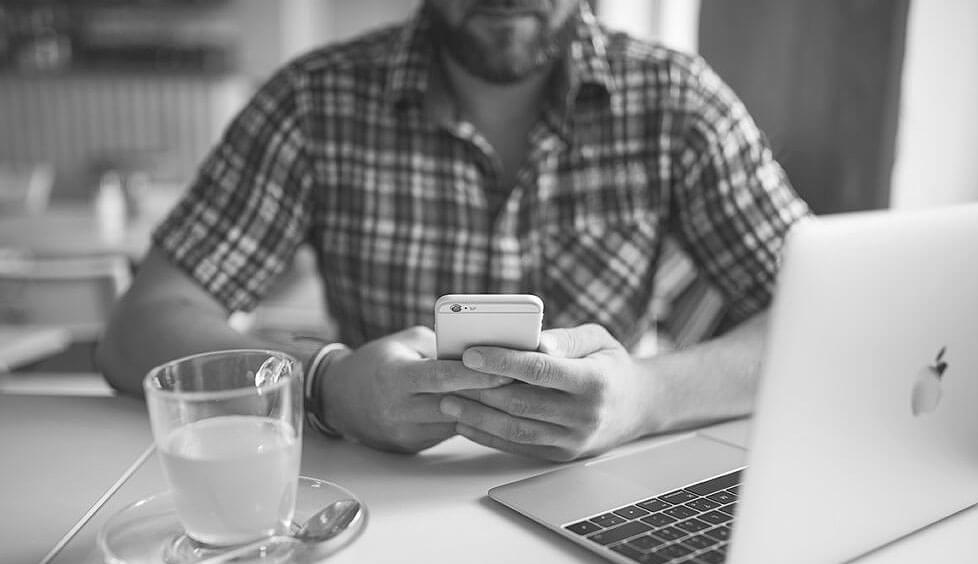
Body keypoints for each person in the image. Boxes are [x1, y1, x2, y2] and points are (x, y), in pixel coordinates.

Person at [97, 0, 810, 462]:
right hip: (376, 497)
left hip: (597, 492)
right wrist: (327, 383)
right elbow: (139, 329)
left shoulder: (679, 102)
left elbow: (821, 320)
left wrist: (646, 399)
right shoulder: (311, 102)